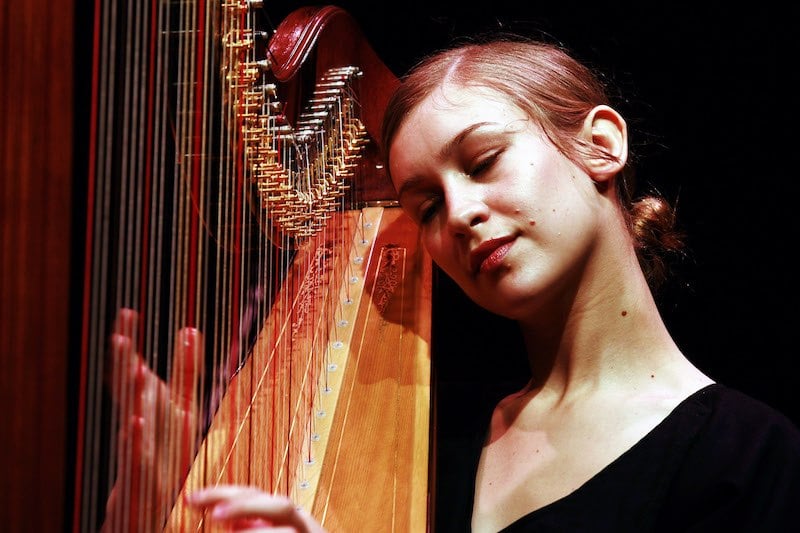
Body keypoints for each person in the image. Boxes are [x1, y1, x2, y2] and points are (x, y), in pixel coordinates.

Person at [178, 35, 800, 530]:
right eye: (425, 207)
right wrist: (172, 483)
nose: (459, 213)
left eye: (482, 162)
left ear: (601, 146)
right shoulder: (438, 447)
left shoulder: (744, 457)